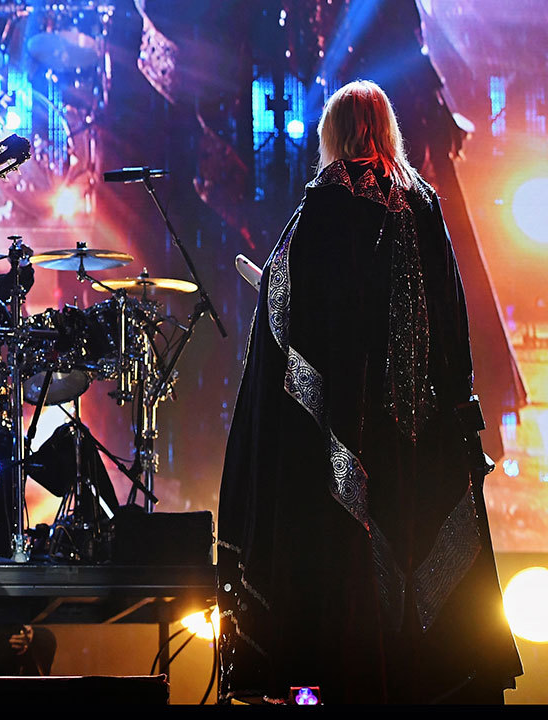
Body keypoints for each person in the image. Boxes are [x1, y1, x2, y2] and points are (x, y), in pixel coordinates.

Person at [217, 80, 522, 703]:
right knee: (427, 590)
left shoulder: (322, 205)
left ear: (334, 134)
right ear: (387, 131)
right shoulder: (427, 204)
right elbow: (452, 320)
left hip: (344, 443)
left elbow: (288, 312)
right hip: (426, 440)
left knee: (341, 587)